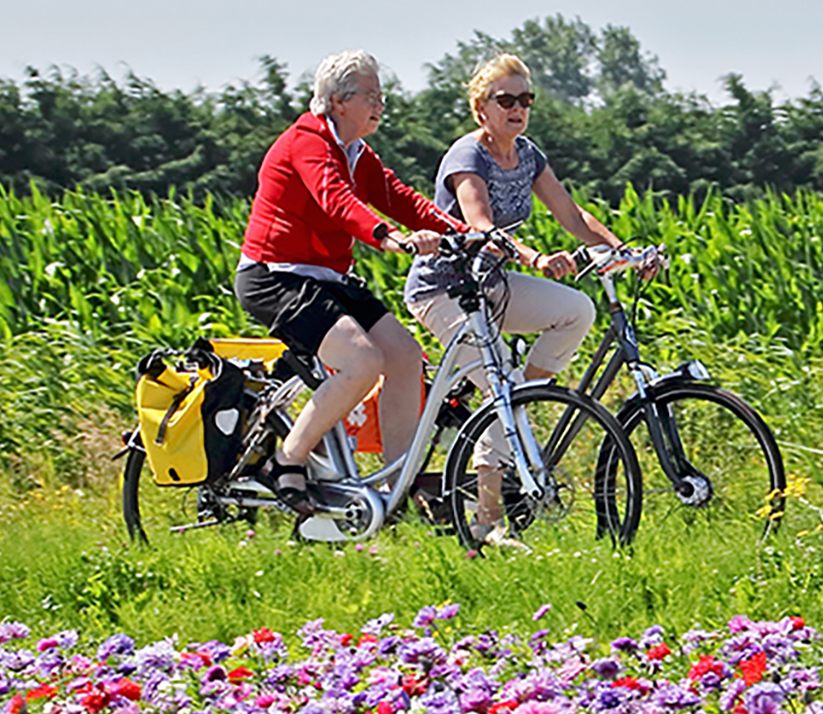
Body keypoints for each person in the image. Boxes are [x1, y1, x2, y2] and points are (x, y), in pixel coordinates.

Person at [403, 53, 628, 546]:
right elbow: (480, 224)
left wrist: (621, 252)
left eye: (525, 100)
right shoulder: (467, 156)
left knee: (576, 311)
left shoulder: (527, 155)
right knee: (503, 391)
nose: (518, 109)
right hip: (445, 290)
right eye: (505, 99)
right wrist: (533, 256)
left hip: (492, 285)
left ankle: (517, 394)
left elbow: (572, 214)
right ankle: (486, 522)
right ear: (480, 107)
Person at [234, 50, 461, 515]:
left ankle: (398, 486)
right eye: (371, 96)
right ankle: (287, 460)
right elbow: (335, 199)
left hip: (327, 277)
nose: (381, 104)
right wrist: (388, 238)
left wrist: (464, 235)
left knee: (404, 356)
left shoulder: (355, 151)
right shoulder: (308, 141)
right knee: (361, 361)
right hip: (274, 276)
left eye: (382, 95)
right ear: (338, 101)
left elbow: (401, 198)